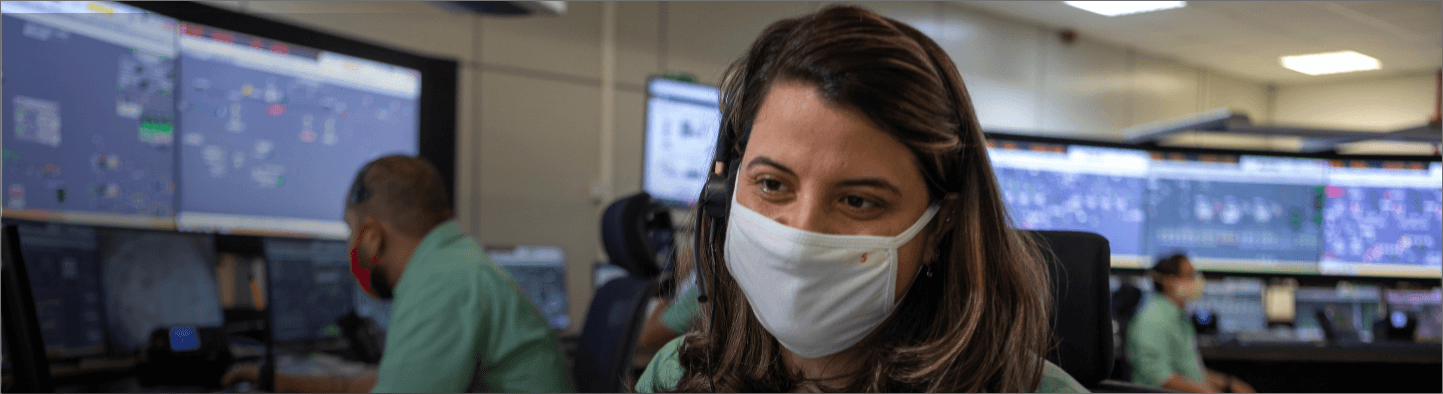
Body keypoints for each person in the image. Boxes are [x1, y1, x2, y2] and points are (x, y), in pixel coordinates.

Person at [635, 5, 1086, 392]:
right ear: (724, 193)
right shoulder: (680, 373)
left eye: (858, 201)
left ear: (939, 225)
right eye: (772, 185)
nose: (802, 235)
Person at [222, 155, 573, 393]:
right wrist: (284, 383)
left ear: (372, 235)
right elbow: (394, 380)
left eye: (350, 230)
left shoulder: (443, 284)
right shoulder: (453, 264)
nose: (348, 247)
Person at [1127, 253, 1255, 393]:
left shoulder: (1179, 316)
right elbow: (1160, 378)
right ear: (1170, 282)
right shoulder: (1152, 320)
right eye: (1190, 275)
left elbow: (1192, 372)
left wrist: (1230, 383)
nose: (1196, 280)